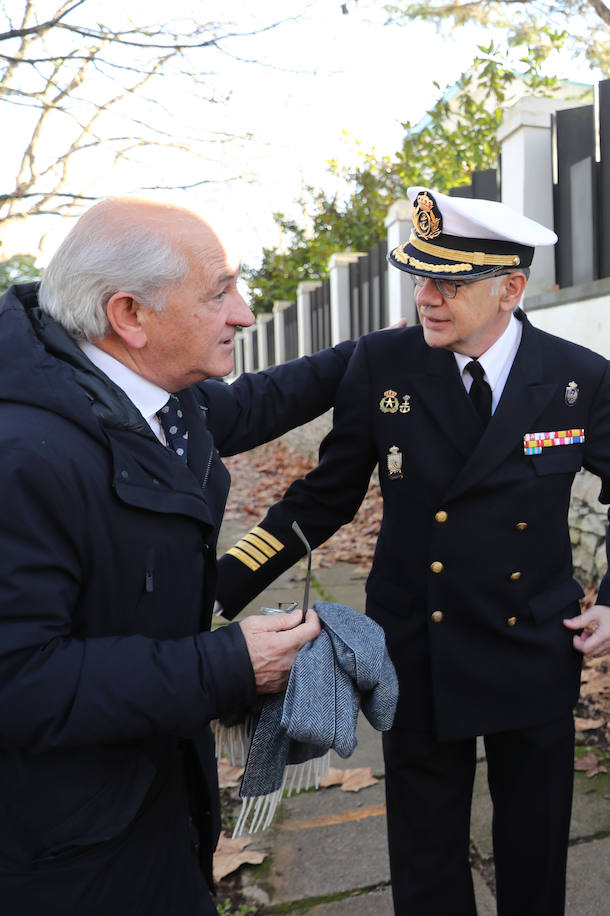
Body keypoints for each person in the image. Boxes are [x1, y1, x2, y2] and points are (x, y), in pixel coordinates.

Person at [214, 187, 610, 916]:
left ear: (510, 289)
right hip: (419, 644)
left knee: (535, 849)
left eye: (448, 283)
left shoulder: (576, 377)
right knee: (425, 858)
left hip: (533, 643)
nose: (426, 297)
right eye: (420, 277)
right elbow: (323, 499)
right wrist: (218, 588)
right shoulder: (383, 364)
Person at [0, 197, 358, 911]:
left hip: (154, 803)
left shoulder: (145, 392)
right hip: (65, 856)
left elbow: (254, 403)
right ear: (130, 315)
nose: (246, 314)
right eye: (219, 291)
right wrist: (227, 664)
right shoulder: (21, 459)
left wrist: (374, 352)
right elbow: (18, 681)